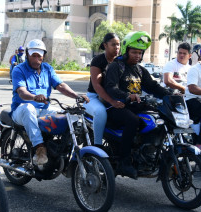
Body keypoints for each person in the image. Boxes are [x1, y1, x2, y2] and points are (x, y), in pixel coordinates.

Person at [11, 39, 87, 168]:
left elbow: (61, 85)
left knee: (67, 115)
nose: (36, 59)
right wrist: (34, 97)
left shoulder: (47, 68)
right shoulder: (19, 69)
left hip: (44, 109)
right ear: (27, 55)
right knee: (28, 108)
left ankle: (61, 149)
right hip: (21, 109)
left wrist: (77, 96)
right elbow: (22, 92)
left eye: (39, 56)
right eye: (33, 55)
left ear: (43, 56)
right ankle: (40, 149)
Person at [103, 31, 170, 178]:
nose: (137, 56)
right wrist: (128, 96)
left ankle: (149, 151)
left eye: (140, 53)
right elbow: (111, 88)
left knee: (159, 116)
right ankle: (124, 162)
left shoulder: (140, 69)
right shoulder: (116, 66)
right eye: (134, 52)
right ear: (126, 50)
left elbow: (153, 86)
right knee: (133, 121)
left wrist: (170, 95)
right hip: (116, 106)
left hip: (135, 105)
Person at [86, 33, 121, 146]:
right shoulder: (98, 60)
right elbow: (97, 85)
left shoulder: (120, 61)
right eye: (113, 44)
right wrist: (112, 102)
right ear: (105, 45)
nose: (116, 48)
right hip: (93, 97)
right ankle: (98, 146)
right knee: (101, 112)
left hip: (114, 96)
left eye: (118, 45)